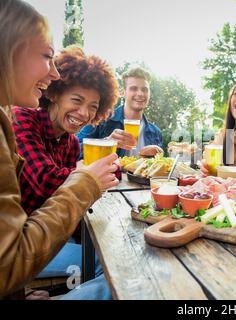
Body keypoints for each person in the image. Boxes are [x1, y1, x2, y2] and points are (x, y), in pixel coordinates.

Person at [0, 0, 118, 299]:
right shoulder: (19, 117)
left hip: (36, 242)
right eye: (76, 101)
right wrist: (88, 178)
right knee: (115, 275)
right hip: (27, 247)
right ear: (54, 95)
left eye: (93, 107)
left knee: (109, 254)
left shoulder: (68, 141)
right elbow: (43, 181)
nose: (84, 114)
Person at [77, 67, 163, 158]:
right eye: (134, 88)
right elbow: (73, 151)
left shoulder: (156, 132)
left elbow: (157, 166)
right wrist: (107, 143)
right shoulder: (100, 119)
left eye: (144, 89)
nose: (140, 94)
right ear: (123, 93)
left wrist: (160, 155)